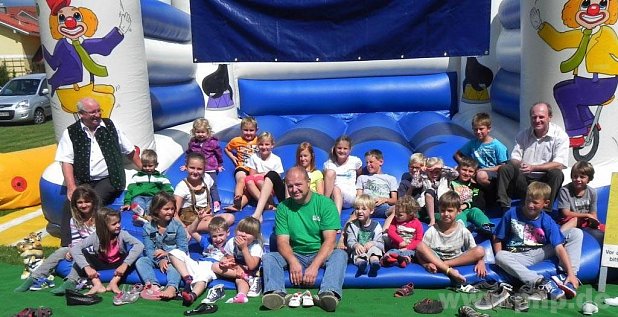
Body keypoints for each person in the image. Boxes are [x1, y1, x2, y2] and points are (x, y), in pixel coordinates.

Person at [55, 97, 141, 246]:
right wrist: (71, 187)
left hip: (110, 178)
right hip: (84, 180)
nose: (97, 115)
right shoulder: (71, 132)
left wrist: (145, 170)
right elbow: (66, 160)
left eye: (98, 110)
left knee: (92, 201)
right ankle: (67, 246)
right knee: (70, 205)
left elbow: (129, 151)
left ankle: (94, 242)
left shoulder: (110, 126)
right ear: (81, 114)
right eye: (92, 112)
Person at [261, 166, 347, 312]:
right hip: (295, 253)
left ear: (308, 182)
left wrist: (314, 266)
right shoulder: (283, 207)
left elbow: (330, 240)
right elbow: (282, 241)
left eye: (298, 185)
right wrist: (293, 262)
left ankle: (328, 293)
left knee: (340, 255)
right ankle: (277, 294)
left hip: (319, 252)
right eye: (290, 186)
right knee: (269, 257)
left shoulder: (325, 204)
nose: (294, 189)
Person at [493, 182, 582, 300]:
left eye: (535, 202)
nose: (530, 205)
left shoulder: (546, 220)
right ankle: (541, 282)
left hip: (540, 251)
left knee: (575, 233)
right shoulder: (512, 213)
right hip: (519, 255)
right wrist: (501, 264)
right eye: (528, 200)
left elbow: (559, 247)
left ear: (546, 203)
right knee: (500, 256)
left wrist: (571, 272)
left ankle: (569, 277)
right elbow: (497, 238)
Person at [15, 185, 99, 292]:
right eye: (80, 202)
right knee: (62, 250)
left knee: (81, 255)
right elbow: (76, 240)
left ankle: (71, 282)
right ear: (75, 204)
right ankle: (35, 277)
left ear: (93, 202)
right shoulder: (74, 220)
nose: (83, 205)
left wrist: (77, 252)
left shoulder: (100, 218)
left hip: (97, 251)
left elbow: (100, 241)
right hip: (81, 248)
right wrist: (73, 250)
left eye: (87, 201)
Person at [51, 207, 144, 295]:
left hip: (118, 264)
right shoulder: (96, 236)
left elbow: (139, 245)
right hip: (102, 263)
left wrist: (125, 265)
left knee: (135, 257)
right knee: (84, 254)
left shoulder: (122, 234)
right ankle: (96, 284)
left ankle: (114, 282)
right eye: (114, 224)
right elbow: (75, 248)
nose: (118, 225)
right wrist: (87, 267)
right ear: (104, 226)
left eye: (119, 222)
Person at [496, 102, 569, 210]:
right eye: (534, 117)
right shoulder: (523, 135)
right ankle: (504, 206)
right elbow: (514, 158)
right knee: (505, 169)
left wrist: (534, 167)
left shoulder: (560, 136)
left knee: (557, 174)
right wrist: (522, 165)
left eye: (541, 117)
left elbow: (559, 164)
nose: (537, 120)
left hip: (545, 181)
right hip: (524, 179)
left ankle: (546, 210)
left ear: (549, 117)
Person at [415, 191, 487, 285]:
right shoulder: (432, 230)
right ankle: (448, 270)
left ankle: (444, 265)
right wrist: (425, 264)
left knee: (480, 250)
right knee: (420, 245)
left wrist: (481, 262)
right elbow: (420, 253)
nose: (446, 214)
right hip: (436, 258)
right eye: (442, 210)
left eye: (450, 210)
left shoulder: (463, 230)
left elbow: (475, 250)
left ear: (458, 211)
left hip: (456, 260)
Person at [135, 192, 188, 300]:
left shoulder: (177, 226)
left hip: (175, 258)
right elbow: (149, 249)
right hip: (156, 258)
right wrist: (160, 261)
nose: (170, 212)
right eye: (166, 209)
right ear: (156, 210)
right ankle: (153, 285)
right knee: (141, 261)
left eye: (172, 209)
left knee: (175, 267)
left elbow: (183, 248)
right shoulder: (148, 227)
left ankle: (172, 287)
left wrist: (168, 255)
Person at [252, 141, 323, 220]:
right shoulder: (293, 171)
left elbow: (320, 195)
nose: (302, 159)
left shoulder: (317, 173)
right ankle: (258, 212)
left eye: (305, 156)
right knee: (272, 174)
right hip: (290, 197)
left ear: (311, 156)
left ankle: (290, 207)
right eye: (300, 156)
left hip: (305, 199)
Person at [168, 217, 229, 306]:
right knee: (173, 252)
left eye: (221, 235)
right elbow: (191, 231)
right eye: (214, 236)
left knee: (202, 279)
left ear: (227, 233)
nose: (218, 239)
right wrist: (198, 219)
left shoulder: (230, 245)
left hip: (212, 268)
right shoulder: (207, 243)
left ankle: (192, 296)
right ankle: (187, 278)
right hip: (198, 264)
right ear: (210, 236)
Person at [174, 152, 234, 232]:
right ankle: (190, 230)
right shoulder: (181, 187)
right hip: (190, 221)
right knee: (218, 227)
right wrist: (183, 228)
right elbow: (174, 213)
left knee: (230, 217)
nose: (195, 172)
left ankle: (211, 227)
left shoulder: (207, 178)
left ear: (204, 169)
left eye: (199, 169)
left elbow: (212, 190)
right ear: (186, 167)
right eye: (192, 168)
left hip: (206, 216)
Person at [227, 132, 283, 212]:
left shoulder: (276, 159)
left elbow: (277, 177)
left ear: (272, 145)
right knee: (248, 180)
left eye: (267, 144)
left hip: (269, 186)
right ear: (257, 145)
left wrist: (263, 175)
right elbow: (252, 175)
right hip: (254, 187)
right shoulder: (254, 157)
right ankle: (241, 204)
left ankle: (270, 203)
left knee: (258, 180)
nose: (264, 147)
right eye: (261, 144)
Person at [212, 217, 264, 304]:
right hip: (237, 269)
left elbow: (252, 266)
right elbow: (229, 257)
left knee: (239, 280)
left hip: (252, 271)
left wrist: (244, 248)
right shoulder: (232, 242)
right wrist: (225, 263)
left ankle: (242, 293)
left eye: (248, 233)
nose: (243, 234)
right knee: (215, 266)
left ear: (255, 237)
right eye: (241, 231)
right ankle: (244, 285)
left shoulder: (256, 246)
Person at [454, 112, 509, 187]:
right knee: (456, 170)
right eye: (475, 129)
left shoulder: (497, 146)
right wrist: (466, 166)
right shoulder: (473, 143)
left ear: (489, 129)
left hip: (493, 174)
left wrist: (485, 170)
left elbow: (503, 167)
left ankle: (494, 191)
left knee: (481, 175)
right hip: (477, 171)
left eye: (481, 129)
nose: (478, 132)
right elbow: (457, 154)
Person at [558, 161, 604, 239]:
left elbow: (593, 213)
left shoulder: (592, 192)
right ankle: (557, 238)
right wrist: (586, 215)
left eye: (582, 177)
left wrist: (594, 221)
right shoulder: (565, 190)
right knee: (575, 220)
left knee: (606, 229)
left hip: (585, 221)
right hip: (569, 219)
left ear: (589, 179)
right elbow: (566, 213)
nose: (578, 179)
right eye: (575, 176)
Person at [184, 118, 224, 211]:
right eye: (198, 132)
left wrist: (219, 164)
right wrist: (186, 164)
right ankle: (201, 203)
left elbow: (218, 153)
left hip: (210, 167)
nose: (200, 134)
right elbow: (189, 153)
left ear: (208, 132)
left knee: (212, 185)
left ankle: (216, 202)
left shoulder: (212, 142)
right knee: (200, 185)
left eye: (203, 132)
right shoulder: (193, 142)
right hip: (198, 169)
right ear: (194, 132)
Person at [121, 149, 174, 216]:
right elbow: (130, 191)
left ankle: (146, 216)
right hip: (139, 196)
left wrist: (166, 199)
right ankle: (141, 215)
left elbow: (169, 189)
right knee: (138, 202)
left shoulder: (161, 178)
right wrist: (127, 202)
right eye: (145, 166)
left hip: (153, 197)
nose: (147, 168)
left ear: (156, 165)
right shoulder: (136, 177)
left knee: (151, 206)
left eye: (150, 166)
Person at [449, 156, 494, 235]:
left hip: (468, 209)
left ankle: (486, 227)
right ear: (458, 169)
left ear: (474, 173)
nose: (466, 173)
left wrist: (466, 205)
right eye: (464, 170)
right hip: (455, 210)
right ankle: (462, 230)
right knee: (460, 214)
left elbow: (480, 203)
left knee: (476, 211)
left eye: (470, 171)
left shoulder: (475, 187)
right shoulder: (451, 183)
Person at [345, 194, 384, 277]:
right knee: (357, 253)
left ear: (371, 211)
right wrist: (356, 245)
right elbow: (350, 240)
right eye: (357, 208)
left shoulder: (376, 226)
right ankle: (362, 265)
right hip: (359, 250)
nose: (359, 211)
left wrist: (373, 243)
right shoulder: (352, 225)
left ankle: (374, 263)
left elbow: (381, 243)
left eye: (363, 209)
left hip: (371, 249)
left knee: (375, 250)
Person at [224, 116, 259, 210]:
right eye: (245, 130)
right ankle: (238, 197)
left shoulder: (259, 141)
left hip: (255, 169)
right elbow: (227, 148)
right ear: (241, 129)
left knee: (249, 190)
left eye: (251, 130)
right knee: (241, 180)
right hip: (242, 166)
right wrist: (232, 157)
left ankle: (239, 206)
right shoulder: (236, 140)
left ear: (256, 130)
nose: (248, 133)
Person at [323, 135, 363, 214]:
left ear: (350, 150)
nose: (342, 151)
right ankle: (325, 203)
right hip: (332, 197)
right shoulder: (329, 164)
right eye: (339, 148)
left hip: (349, 197)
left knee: (336, 189)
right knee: (330, 173)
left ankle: (336, 219)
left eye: (345, 148)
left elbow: (360, 175)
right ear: (335, 148)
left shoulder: (355, 161)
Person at [382, 196, 422, 269]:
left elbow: (418, 240)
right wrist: (400, 241)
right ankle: (387, 259)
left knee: (409, 254)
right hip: (396, 247)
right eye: (396, 213)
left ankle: (403, 260)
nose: (396, 216)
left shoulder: (417, 224)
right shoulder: (395, 220)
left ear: (410, 214)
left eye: (400, 215)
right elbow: (390, 231)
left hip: (409, 249)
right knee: (391, 252)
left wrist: (407, 248)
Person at [419, 157, 459, 226]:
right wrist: (421, 171)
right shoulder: (424, 178)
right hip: (427, 205)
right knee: (429, 192)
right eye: (431, 172)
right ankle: (432, 219)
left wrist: (442, 167)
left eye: (437, 172)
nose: (434, 174)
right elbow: (415, 183)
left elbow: (456, 174)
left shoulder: (445, 177)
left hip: (443, 202)